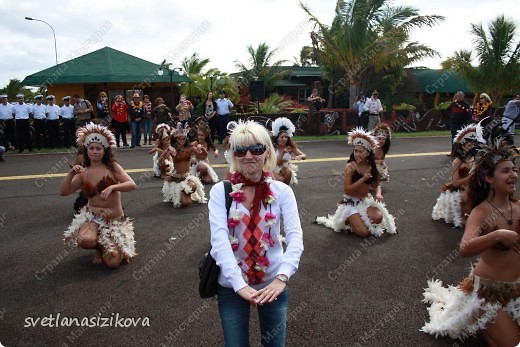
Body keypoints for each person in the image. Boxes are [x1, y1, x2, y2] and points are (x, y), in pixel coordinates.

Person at [208, 119, 304, 347]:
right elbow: (219, 242)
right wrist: (238, 284)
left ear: (267, 153)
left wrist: (282, 278)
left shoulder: (282, 192)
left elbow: (295, 237)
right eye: (240, 150)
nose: (248, 155)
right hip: (232, 286)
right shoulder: (220, 192)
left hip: (273, 284)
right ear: (233, 155)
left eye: (256, 149)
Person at [422, 140, 520, 346]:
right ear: (489, 178)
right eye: (505, 171)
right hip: (488, 293)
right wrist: (496, 235)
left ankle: (487, 329)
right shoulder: (482, 212)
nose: (513, 175)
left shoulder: (518, 206)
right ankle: (480, 319)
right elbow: (465, 248)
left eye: (514, 169)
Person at [60, 123, 137, 269]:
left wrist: (112, 186)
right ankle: (99, 248)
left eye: (98, 149)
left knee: (113, 263)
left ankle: (106, 244)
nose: (94, 152)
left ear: (104, 151)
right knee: (85, 240)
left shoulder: (113, 167)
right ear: (86, 150)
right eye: (91, 148)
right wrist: (71, 173)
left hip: (113, 220)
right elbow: (63, 192)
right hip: (93, 218)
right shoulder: (83, 172)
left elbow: (131, 184)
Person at [315, 127, 397, 237]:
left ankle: (357, 220)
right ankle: (349, 220)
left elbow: (375, 185)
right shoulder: (350, 166)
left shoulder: (370, 167)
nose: (357, 154)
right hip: (351, 203)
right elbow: (347, 190)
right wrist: (363, 179)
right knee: (364, 233)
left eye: (360, 152)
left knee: (378, 218)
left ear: (367, 154)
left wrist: (377, 182)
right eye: (355, 151)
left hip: (364, 201)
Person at [432, 124, 478, 228]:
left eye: (473, 145)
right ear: (463, 146)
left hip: (472, 188)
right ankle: (463, 216)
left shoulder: (474, 159)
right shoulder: (457, 161)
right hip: (459, 190)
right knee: (466, 196)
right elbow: (455, 183)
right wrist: (470, 177)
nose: (472, 147)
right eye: (469, 145)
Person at [160, 123, 206, 207]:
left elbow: (203, 155)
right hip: (176, 178)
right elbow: (161, 160)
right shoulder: (173, 149)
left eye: (184, 139)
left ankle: (186, 194)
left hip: (186, 177)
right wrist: (167, 151)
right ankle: (180, 194)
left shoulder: (190, 147)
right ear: (175, 139)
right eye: (179, 139)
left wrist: (201, 148)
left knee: (193, 186)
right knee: (185, 203)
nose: (182, 141)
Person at [271, 117, 306, 185]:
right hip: (274, 168)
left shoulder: (290, 147)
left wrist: (300, 156)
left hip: (286, 169)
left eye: (286, 137)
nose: (284, 139)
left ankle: (286, 190)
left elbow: (304, 156)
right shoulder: (273, 147)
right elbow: (278, 162)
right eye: (282, 137)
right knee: (280, 180)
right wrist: (283, 153)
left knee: (288, 172)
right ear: (277, 138)